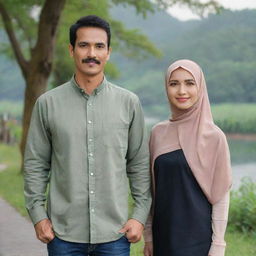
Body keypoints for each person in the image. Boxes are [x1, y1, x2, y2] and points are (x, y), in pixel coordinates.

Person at [24, 15, 151, 256]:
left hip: (115, 234)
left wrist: (139, 216)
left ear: (108, 52)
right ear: (72, 50)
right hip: (63, 236)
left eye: (99, 46)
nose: (91, 53)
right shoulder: (47, 104)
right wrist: (38, 216)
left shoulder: (129, 103)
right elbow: (35, 164)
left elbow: (139, 163)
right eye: (84, 45)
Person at [143, 59, 232, 256]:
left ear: (200, 87)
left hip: (199, 241)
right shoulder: (158, 133)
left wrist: (218, 245)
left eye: (189, 83)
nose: (181, 91)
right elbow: (151, 190)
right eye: (174, 84)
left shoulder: (214, 136)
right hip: (163, 237)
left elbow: (220, 195)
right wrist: (148, 236)